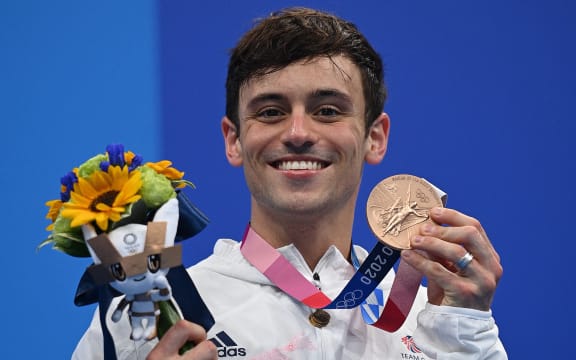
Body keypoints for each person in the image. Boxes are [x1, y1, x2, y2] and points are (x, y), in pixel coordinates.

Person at [73, 7, 507, 359]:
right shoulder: (154, 318)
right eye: (271, 111)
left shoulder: (435, 311)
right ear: (234, 140)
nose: (298, 132)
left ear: (375, 137)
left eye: (328, 111)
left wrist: (465, 337)